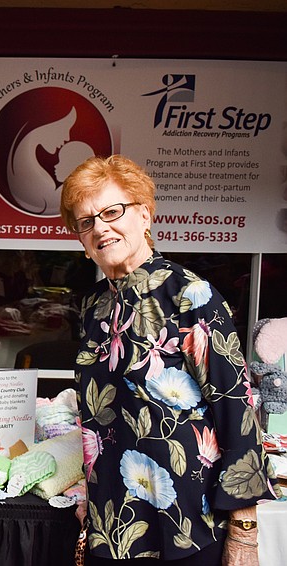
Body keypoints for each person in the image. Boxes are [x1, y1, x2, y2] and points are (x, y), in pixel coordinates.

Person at [59, 155, 275, 565]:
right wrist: (90, 495)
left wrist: (245, 530)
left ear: (144, 215)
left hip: (187, 524)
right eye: (85, 221)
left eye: (111, 212)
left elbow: (236, 411)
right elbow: (98, 420)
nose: (100, 227)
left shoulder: (191, 296)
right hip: (114, 525)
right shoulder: (93, 309)